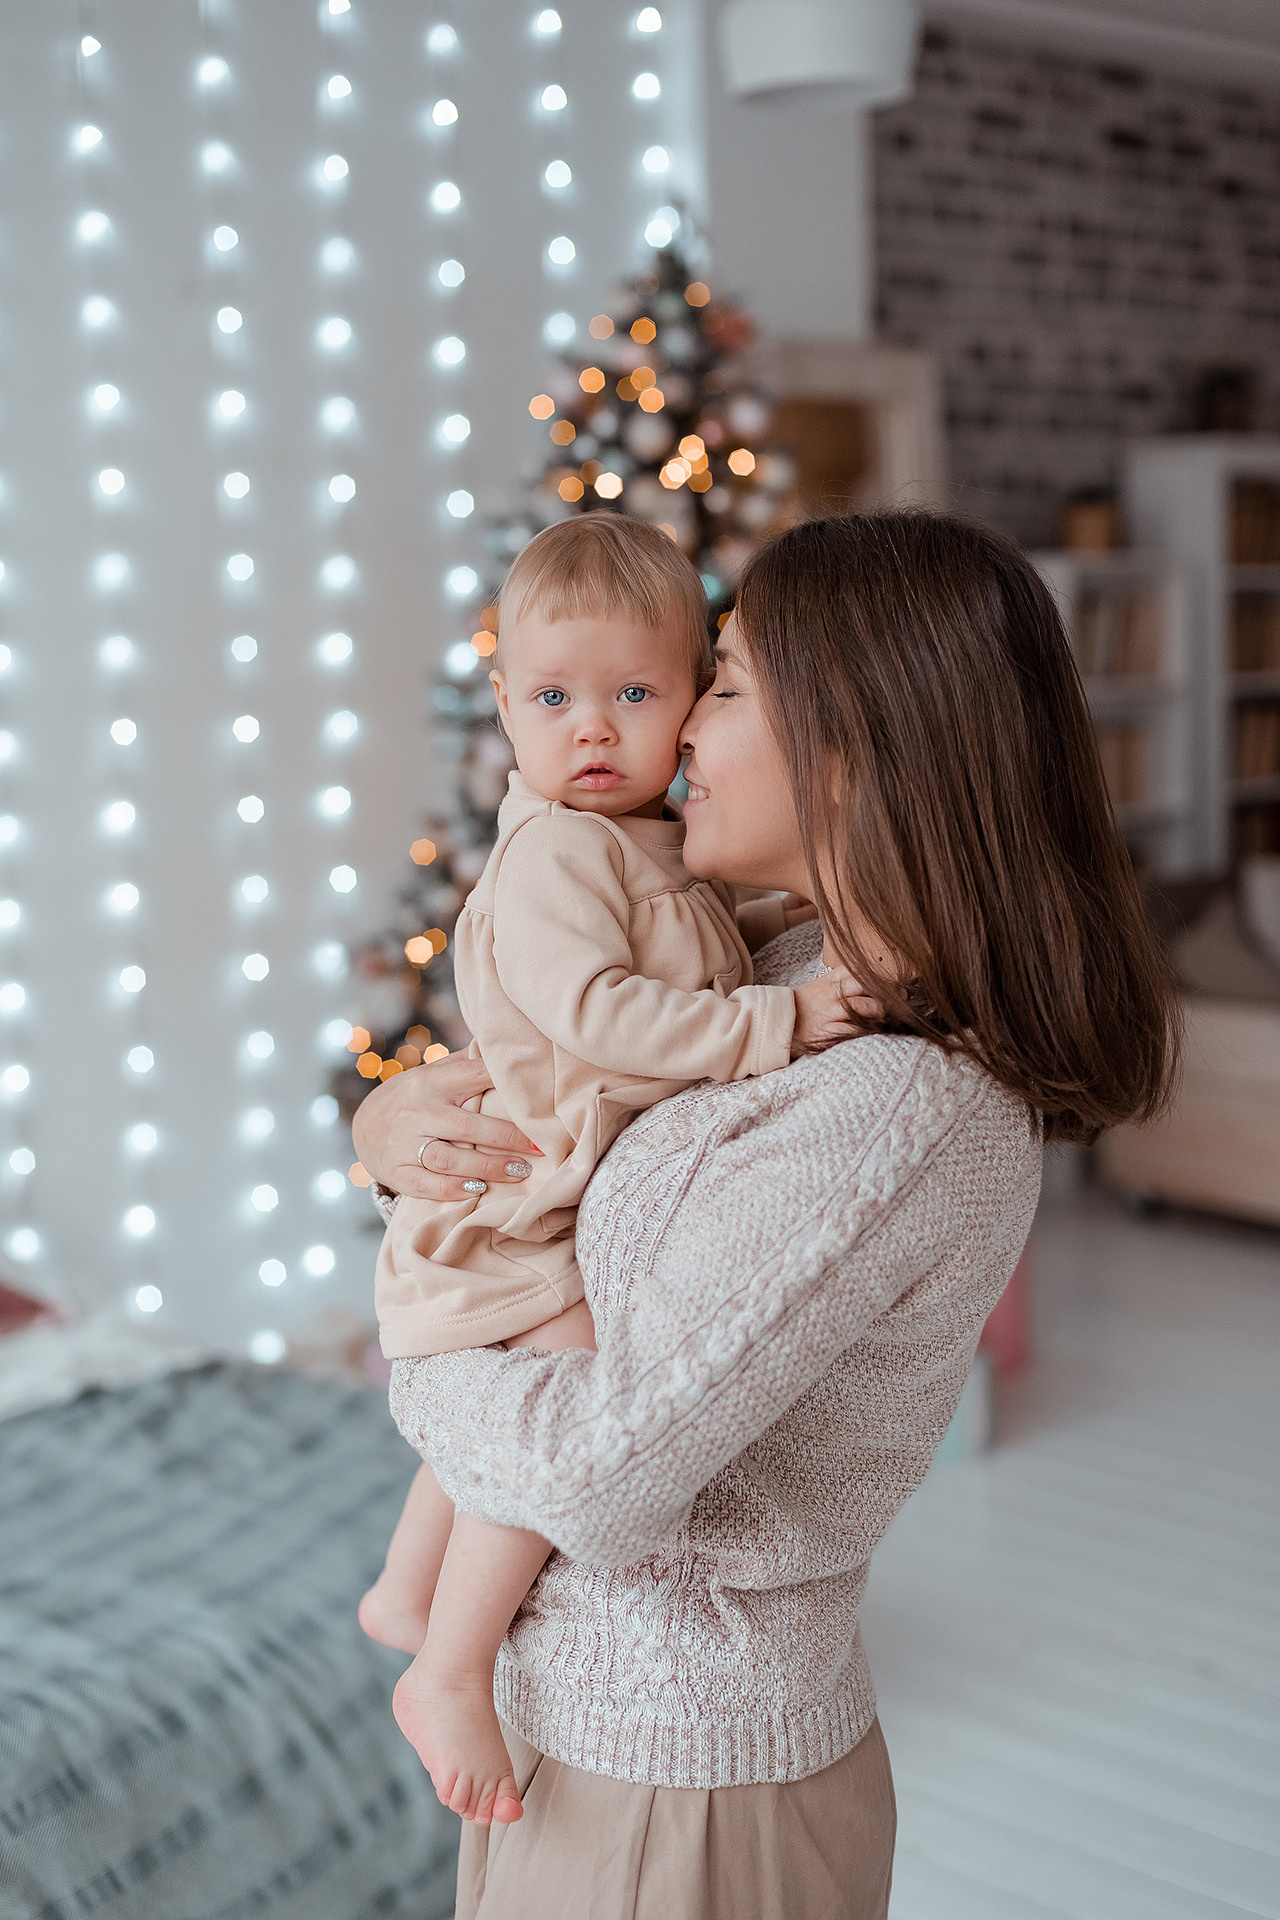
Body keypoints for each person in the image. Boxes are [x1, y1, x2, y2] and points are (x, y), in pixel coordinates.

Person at [355, 511, 1178, 1920]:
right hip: (591, 1748)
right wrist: (397, 1140)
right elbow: (583, 1104)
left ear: (852, 750)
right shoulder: (787, 966)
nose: (672, 729)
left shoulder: (895, 1107)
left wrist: (419, 1345)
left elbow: (597, 1475)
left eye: (717, 685)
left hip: (678, 1789)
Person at [359, 514, 855, 1826]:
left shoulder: (642, 842)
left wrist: (798, 920)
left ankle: (405, 1593)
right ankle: (449, 1666)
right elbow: (601, 1011)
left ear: (689, 699)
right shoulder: (556, 854)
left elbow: (704, 934)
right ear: (504, 706)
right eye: (553, 700)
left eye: (634, 695)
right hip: (524, 1193)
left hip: (555, 1183)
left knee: (532, 1387)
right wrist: (775, 1023)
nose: (592, 730)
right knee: (569, 1391)